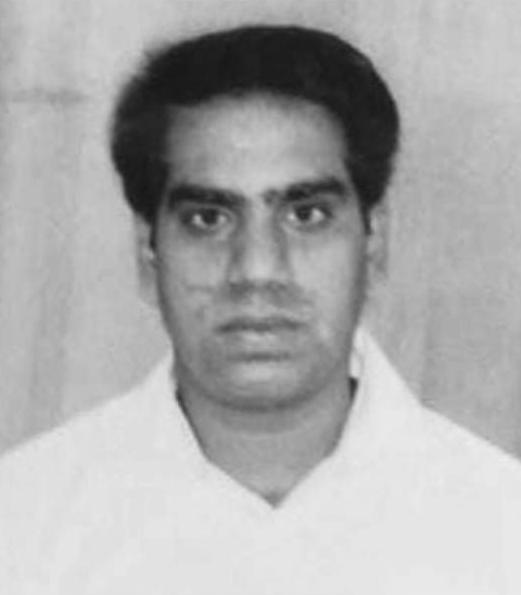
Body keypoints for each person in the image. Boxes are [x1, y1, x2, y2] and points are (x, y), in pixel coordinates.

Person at [1, 24, 521, 595]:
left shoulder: (500, 528)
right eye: (208, 219)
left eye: (306, 215)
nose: (256, 270)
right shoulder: (23, 524)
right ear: (148, 253)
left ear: (374, 242)